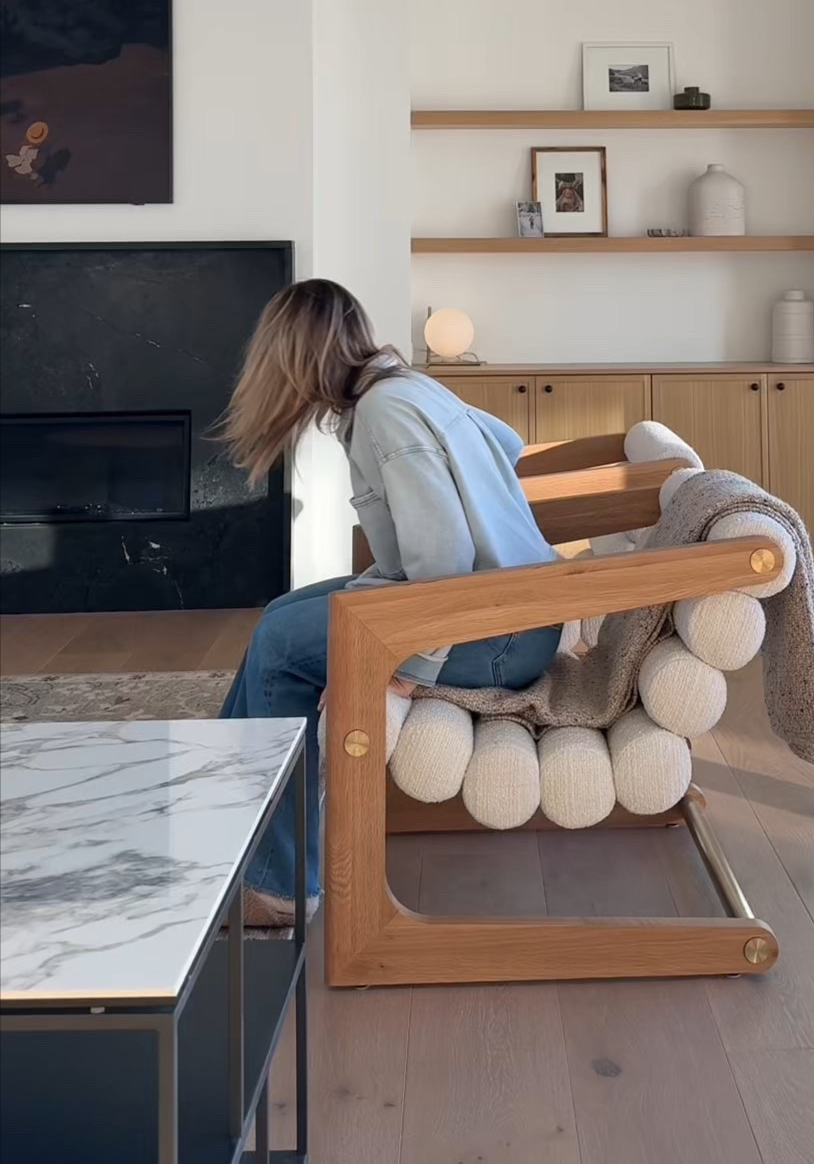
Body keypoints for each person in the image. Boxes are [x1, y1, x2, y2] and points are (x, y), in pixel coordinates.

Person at [219, 277, 560, 926]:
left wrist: (401, 666)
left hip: (492, 634)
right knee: (276, 622)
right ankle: (239, 824)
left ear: (295, 358)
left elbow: (443, 562)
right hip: (507, 613)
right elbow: (507, 443)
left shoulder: (385, 409)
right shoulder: (400, 386)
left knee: (282, 650)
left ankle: (283, 884)